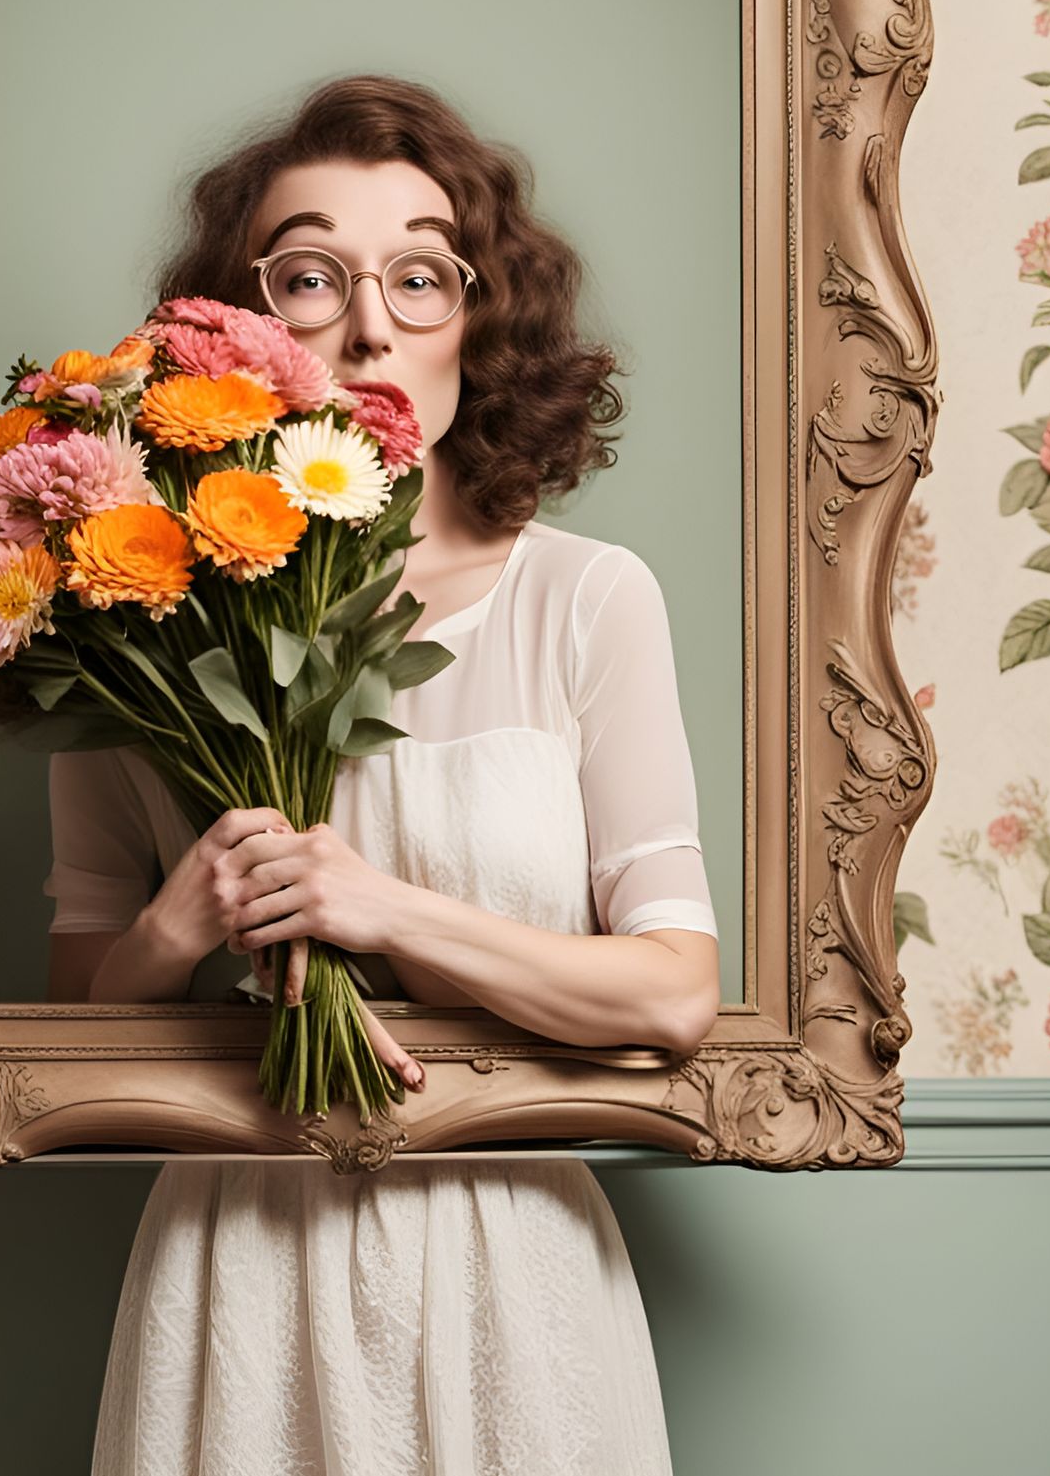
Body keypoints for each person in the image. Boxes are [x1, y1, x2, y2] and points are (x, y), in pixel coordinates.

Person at [44, 74, 722, 1475]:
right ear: (235, 320)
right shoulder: (134, 610)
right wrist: (179, 927)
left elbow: (672, 991)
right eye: (310, 273)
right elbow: (73, 1022)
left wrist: (380, 907)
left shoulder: (590, 600)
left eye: (421, 274)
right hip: (235, 1261)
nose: (368, 322)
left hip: (518, 1273)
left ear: (483, 315)